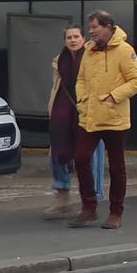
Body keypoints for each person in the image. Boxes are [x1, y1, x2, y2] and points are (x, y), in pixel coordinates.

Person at [71, 10, 137, 230]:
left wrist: (114, 96)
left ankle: (116, 212)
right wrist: (82, 99)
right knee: (80, 158)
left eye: (94, 27)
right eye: (90, 28)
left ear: (108, 27)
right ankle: (89, 207)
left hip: (114, 118)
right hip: (90, 117)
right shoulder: (89, 51)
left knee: (116, 167)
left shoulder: (124, 50)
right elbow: (81, 79)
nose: (91, 32)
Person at [44, 25, 104, 219]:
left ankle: (91, 199)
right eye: (69, 37)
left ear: (83, 38)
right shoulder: (58, 60)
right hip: (63, 113)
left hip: (89, 112)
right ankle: (62, 196)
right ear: (65, 41)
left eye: (76, 36)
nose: (72, 40)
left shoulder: (94, 56)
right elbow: (57, 87)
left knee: (91, 154)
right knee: (57, 152)